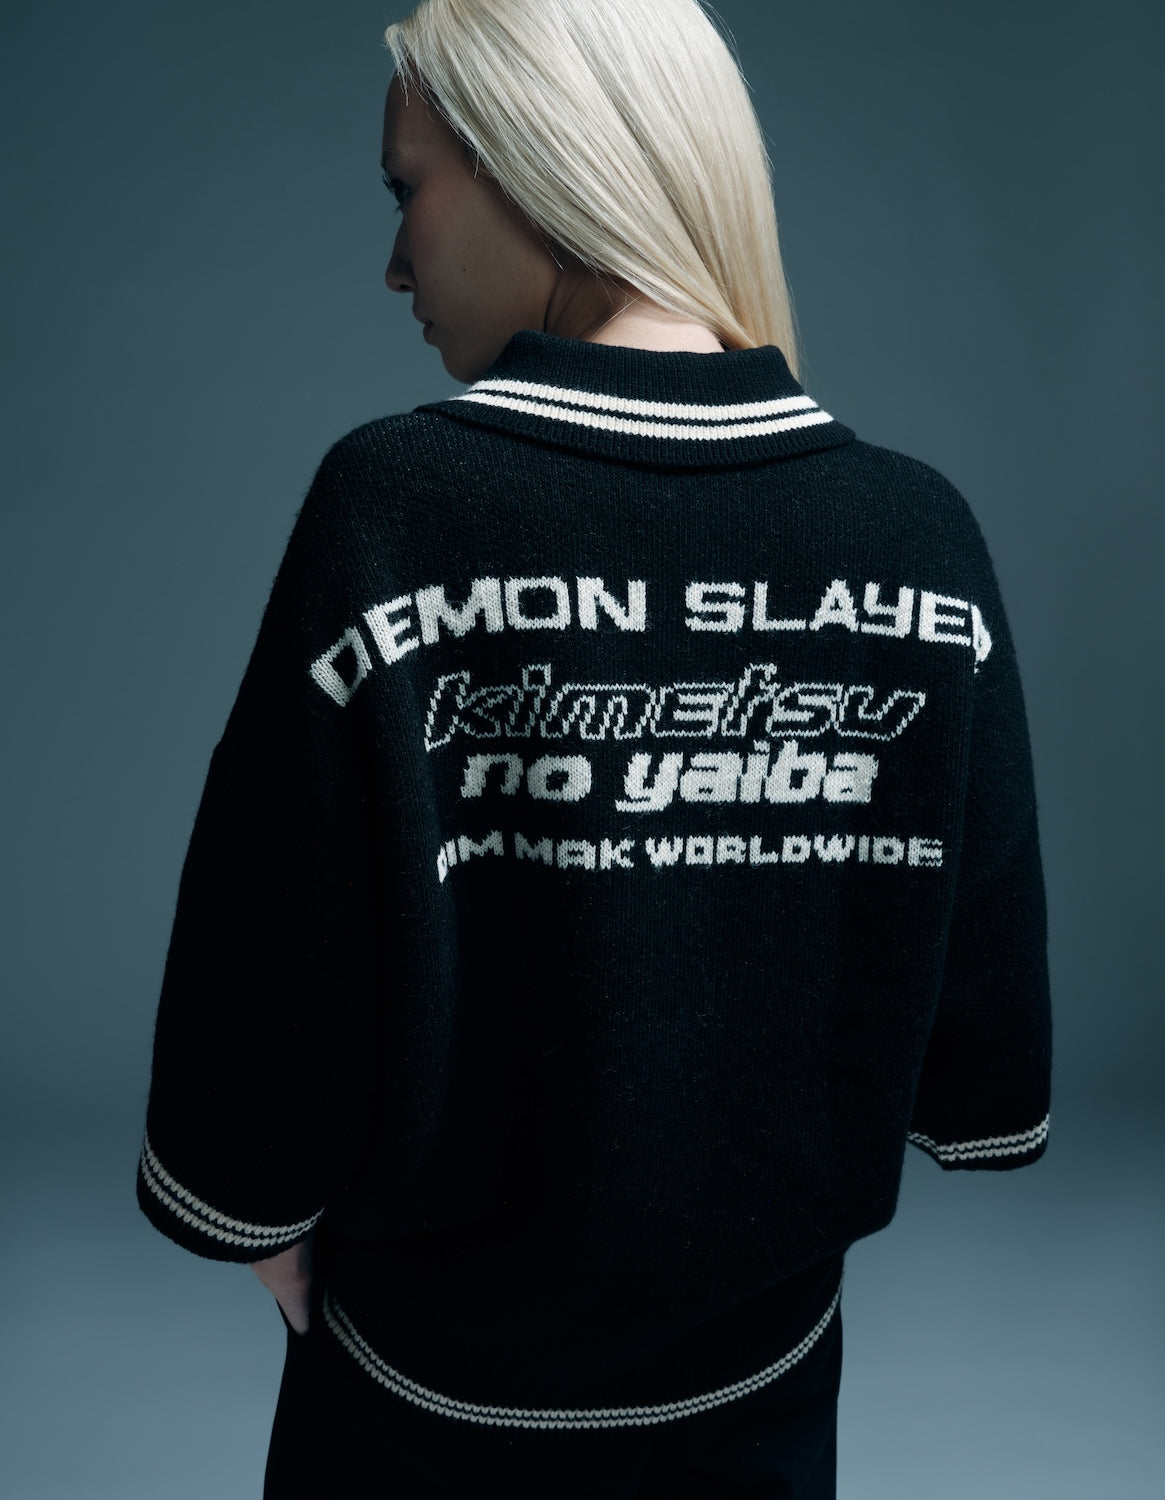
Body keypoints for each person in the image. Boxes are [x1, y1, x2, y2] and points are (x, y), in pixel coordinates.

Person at [134, 1, 1053, 1495]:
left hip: (426, 1386)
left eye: (406, 190)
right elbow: (983, 1016)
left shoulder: (397, 504)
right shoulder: (918, 539)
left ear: (538, 162)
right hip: (760, 1373)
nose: (393, 263)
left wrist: (250, 1205)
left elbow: (275, 928)